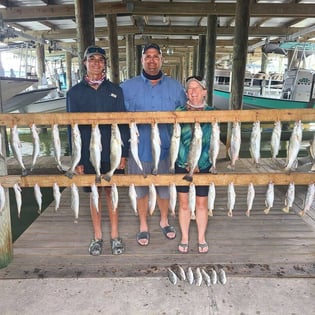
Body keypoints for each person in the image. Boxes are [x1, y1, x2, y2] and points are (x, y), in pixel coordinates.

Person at [121, 43, 187, 246]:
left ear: (161, 59)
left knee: (164, 189)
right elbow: (118, 120)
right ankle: (143, 225)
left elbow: (185, 118)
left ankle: (164, 220)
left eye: (155, 56)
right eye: (147, 56)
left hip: (167, 148)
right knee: (140, 190)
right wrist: (122, 153)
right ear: (141, 60)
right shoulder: (126, 87)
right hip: (137, 150)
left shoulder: (176, 87)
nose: (151, 60)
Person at [66, 45, 129, 256]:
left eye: (100, 59)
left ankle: (114, 236)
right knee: (94, 194)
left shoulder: (115, 90)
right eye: (91, 59)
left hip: (112, 151)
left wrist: (124, 153)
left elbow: (123, 124)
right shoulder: (74, 93)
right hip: (86, 152)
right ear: (84, 63)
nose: (96, 63)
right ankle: (97, 237)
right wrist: (77, 160)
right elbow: (70, 127)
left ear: (105, 64)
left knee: (111, 192)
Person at [175, 76, 213, 254]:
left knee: (201, 203)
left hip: (203, 164)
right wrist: (188, 162)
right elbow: (176, 140)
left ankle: (201, 238)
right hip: (182, 163)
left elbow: (212, 142)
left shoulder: (213, 112)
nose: (193, 91)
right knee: (183, 204)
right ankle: (184, 237)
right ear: (186, 92)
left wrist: (199, 162)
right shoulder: (178, 111)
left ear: (204, 91)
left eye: (197, 88)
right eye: (190, 88)